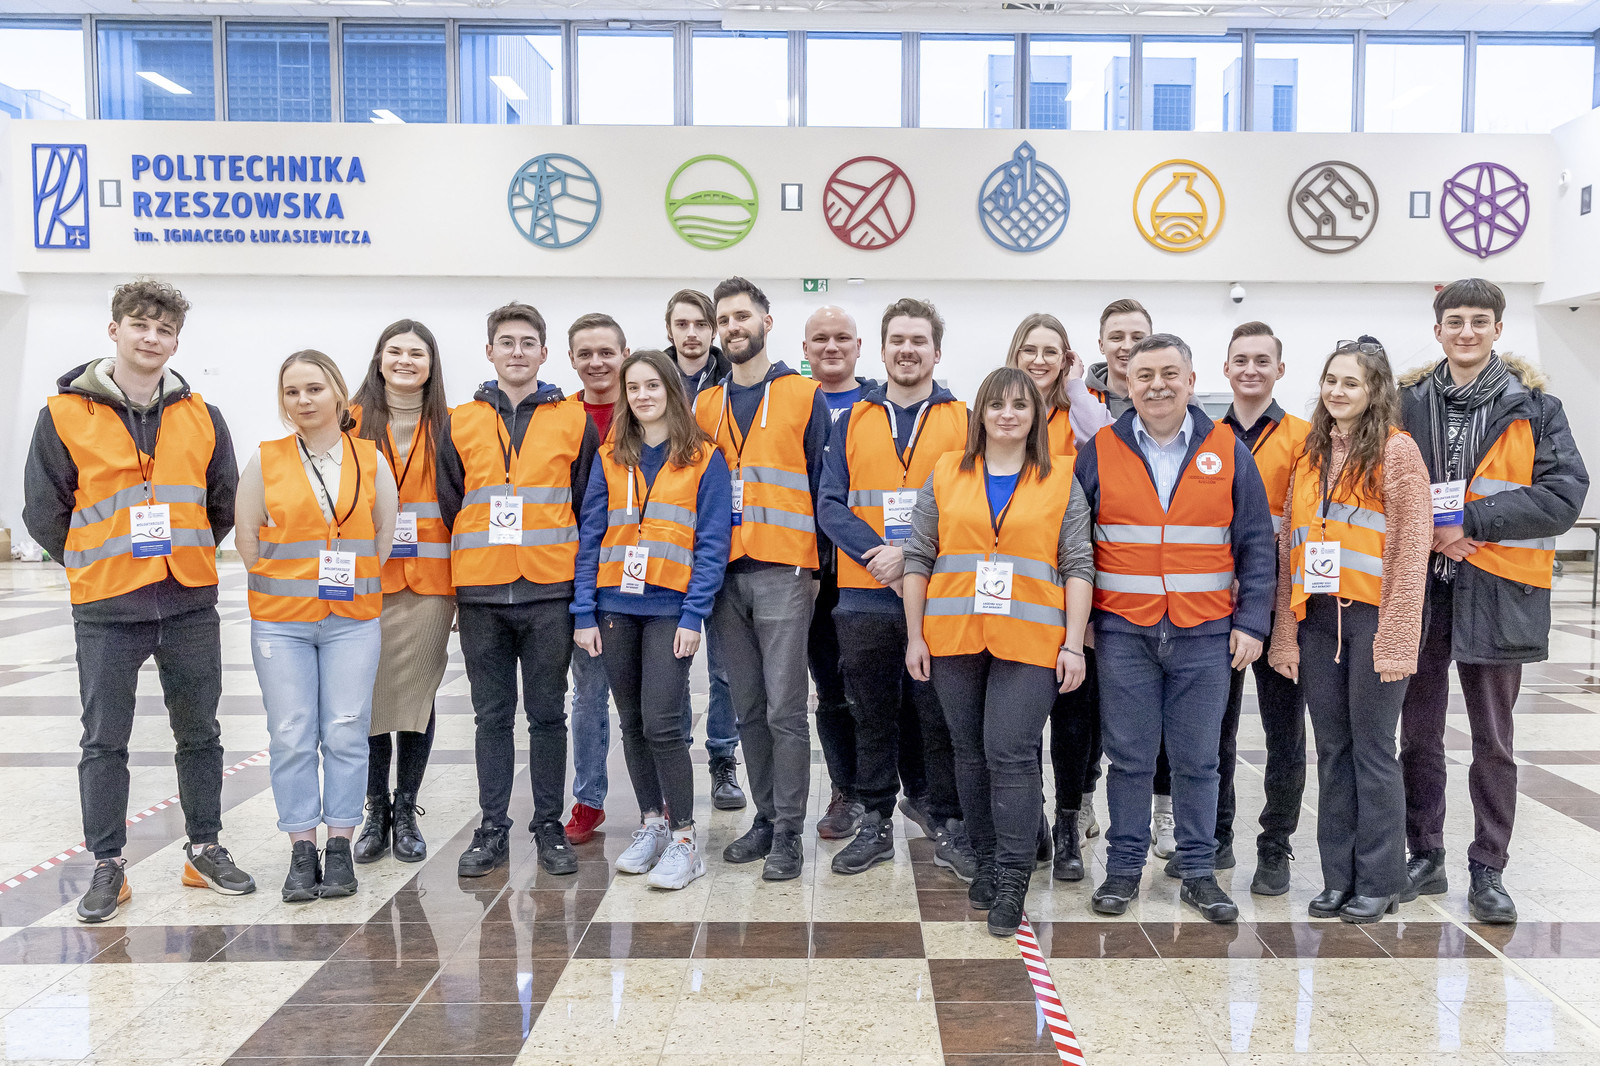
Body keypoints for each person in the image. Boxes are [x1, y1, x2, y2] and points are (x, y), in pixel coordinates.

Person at [23, 279, 256, 922]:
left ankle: (203, 849)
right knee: (104, 740)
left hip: (187, 600)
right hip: (107, 606)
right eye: (140, 325)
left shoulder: (203, 415)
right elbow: (44, 510)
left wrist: (187, 553)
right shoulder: (62, 414)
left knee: (200, 732)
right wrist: (93, 561)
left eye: (164, 329)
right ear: (115, 330)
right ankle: (108, 865)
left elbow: (222, 501)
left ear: (176, 341)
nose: (152, 338)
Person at [1399, 279, 1588, 924]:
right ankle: (1424, 854)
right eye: (1455, 320)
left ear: (1498, 329)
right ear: (1438, 330)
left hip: (1499, 592)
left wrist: (1470, 521)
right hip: (1420, 592)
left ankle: (1489, 868)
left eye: (1479, 321)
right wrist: (1433, 530)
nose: (1466, 331)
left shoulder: (1536, 408)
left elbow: (1563, 495)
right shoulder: (1405, 405)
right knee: (1417, 734)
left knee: (1493, 741)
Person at [1078, 333, 1275, 924]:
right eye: (1144, 376)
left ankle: (1197, 872)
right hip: (1123, 632)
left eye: (1169, 374)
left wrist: (1252, 622)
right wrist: (1081, 623)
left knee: (1198, 761)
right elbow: (1074, 544)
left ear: (1191, 381)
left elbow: (1256, 543)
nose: (1157, 385)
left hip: (1205, 633)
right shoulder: (1100, 450)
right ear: (1126, 383)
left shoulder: (1227, 449)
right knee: (1129, 758)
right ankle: (1122, 870)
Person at [902, 367, 1094, 938]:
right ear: (979, 414)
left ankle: (1013, 875)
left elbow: (1078, 564)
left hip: (1031, 640)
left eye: (1020, 405)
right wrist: (914, 636)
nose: (1007, 414)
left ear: (1036, 416)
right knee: (968, 751)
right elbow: (919, 557)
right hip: (953, 634)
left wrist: (1073, 643)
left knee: (1009, 750)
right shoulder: (946, 472)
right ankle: (985, 859)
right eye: (996, 405)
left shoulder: (1061, 477)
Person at [1270, 340, 1432, 922]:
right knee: (1333, 751)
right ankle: (1337, 877)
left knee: (1373, 750)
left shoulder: (1398, 451)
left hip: (1374, 621)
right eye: (1330, 380)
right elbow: (1289, 546)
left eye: (1351, 383)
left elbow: (1412, 550)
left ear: (1375, 391)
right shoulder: (1310, 453)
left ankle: (1381, 879)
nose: (1337, 391)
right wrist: (1285, 631)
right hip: (1317, 620)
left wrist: (1397, 634)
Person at [437, 302, 601, 878]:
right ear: (489, 352)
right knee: (491, 717)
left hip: (548, 589)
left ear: (544, 353)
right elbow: (451, 501)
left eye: (528, 342)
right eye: (506, 342)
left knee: (548, 715)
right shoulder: (460, 420)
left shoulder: (573, 420)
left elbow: (585, 502)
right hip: (482, 591)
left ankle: (548, 825)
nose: (517, 352)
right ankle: (491, 827)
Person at [819, 298, 973, 880]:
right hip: (864, 596)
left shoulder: (964, 420)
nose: (907, 350)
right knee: (872, 716)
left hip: (938, 598)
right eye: (897, 341)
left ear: (937, 351)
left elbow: (974, 507)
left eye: (918, 341)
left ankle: (949, 821)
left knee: (938, 717)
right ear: (882, 350)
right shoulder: (851, 419)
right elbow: (829, 504)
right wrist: (876, 554)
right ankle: (876, 821)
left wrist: (908, 555)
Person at [236, 350, 397, 901]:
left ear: (338, 394)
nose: (302, 400)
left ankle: (340, 844)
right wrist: (285, 581)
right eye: (292, 392)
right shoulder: (266, 459)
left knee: (347, 729)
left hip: (351, 621)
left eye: (313, 389)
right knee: (290, 733)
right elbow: (247, 537)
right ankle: (302, 847)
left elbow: (383, 535)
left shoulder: (370, 460)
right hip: (281, 623)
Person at [572, 349, 732, 889]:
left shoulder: (704, 458)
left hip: (670, 610)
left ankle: (685, 838)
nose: (642, 395)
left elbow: (712, 543)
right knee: (632, 723)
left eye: (652, 385)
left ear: (671, 391)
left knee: (663, 722)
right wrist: (584, 611)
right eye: (633, 387)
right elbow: (591, 536)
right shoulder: (611, 455)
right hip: (614, 607)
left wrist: (694, 614)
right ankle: (652, 824)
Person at [694, 276, 830, 881]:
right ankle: (767, 817)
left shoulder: (804, 395)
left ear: (766, 323)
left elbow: (825, 486)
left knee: (785, 709)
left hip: (785, 568)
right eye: (724, 319)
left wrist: (819, 568)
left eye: (742, 316)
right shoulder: (705, 404)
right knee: (747, 707)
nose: (733, 327)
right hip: (725, 573)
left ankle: (790, 831)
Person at [1187, 321, 1312, 895]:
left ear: (1279, 370)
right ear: (1226, 369)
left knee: (1285, 733)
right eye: (1241, 360)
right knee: (1216, 730)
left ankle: (1275, 845)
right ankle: (1215, 836)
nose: (1251, 370)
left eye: (1263, 360)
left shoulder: (1305, 439)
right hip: (1220, 605)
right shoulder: (1205, 438)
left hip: (1285, 608)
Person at [1004, 313, 1114, 880]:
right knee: (1019, 713)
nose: (1040, 360)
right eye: (1030, 349)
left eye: (1052, 351)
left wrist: (1075, 387)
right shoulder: (999, 410)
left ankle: (1069, 822)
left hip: (1075, 577)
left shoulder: (1083, 414)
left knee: (1074, 712)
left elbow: (1108, 457)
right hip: (1016, 584)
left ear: (1068, 358)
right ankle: (1033, 820)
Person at [348, 320, 455, 866]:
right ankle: (376, 809)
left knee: (417, 694)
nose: (405, 361)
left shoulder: (453, 425)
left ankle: (407, 807)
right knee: (369, 695)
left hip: (432, 584)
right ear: (379, 358)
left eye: (417, 353)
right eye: (395, 351)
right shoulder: (348, 420)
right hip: (367, 579)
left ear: (431, 364)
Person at [665, 288, 746, 812]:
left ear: (713, 330)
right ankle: (671, 758)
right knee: (667, 661)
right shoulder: (651, 378)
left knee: (724, 667)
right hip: (665, 540)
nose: (692, 333)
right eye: (682, 324)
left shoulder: (732, 380)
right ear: (669, 329)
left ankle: (722, 759)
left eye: (701, 324)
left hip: (722, 535)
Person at [563, 313, 626, 846]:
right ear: (570, 360)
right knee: (587, 695)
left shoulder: (647, 409)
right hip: (578, 574)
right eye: (585, 353)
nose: (596, 362)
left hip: (643, 576)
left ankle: (665, 794)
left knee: (657, 698)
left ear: (624, 354)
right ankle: (588, 800)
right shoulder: (560, 417)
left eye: (606, 352)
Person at [1083, 298, 1150, 420]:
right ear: (1101, 345)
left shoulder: (1173, 400)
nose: (1127, 346)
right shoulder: (1078, 401)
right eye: (1116, 338)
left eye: (1137, 338)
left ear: (1151, 345)